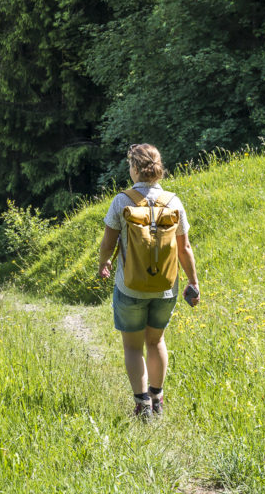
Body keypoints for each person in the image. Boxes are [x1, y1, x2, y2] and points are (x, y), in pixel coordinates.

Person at [96, 143, 199, 420]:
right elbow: (185, 248)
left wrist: (104, 262)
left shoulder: (122, 201)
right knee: (156, 341)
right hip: (166, 288)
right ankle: (157, 400)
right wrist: (193, 282)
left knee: (132, 345)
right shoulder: (173, 202)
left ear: (134, 169)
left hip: (130, 287)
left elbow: (108, 242)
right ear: (158, 168)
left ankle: (142, 407)